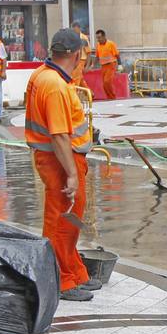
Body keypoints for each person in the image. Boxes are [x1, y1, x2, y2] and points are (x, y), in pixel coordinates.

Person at [24, 28, 100, 302]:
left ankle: (75, 273)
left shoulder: (44, 76)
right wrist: (71, 174)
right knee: (62, 222)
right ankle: (62, 281)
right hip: (60, 161)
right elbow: (58, 135)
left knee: (70, 221)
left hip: (58, 158)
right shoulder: (54, 85)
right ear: (74, 54)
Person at [93, 28, 120, 99]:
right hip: (103, 66)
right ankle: (109, 97)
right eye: (97, 38)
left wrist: (120, 64)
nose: (98, 39)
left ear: (104, 37)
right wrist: (93, 65)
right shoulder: (98, 45)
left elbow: (117, 54)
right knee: (104, 85)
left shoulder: (111, 44)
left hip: (111, 65)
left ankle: (113, 97)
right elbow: (97, 56)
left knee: (107, 82)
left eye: (99, 37)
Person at [69, 21, 90, 88]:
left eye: (75, 30)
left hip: (81, 61)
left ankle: (75, 93)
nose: (74, 32)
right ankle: (90, 93)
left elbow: (88, 52)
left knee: (76, 78)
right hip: (74, 60)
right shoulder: (72, 38)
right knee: (80, 79)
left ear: (79, 29)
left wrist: (87, 66)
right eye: (73, 30)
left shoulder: (83, 38)